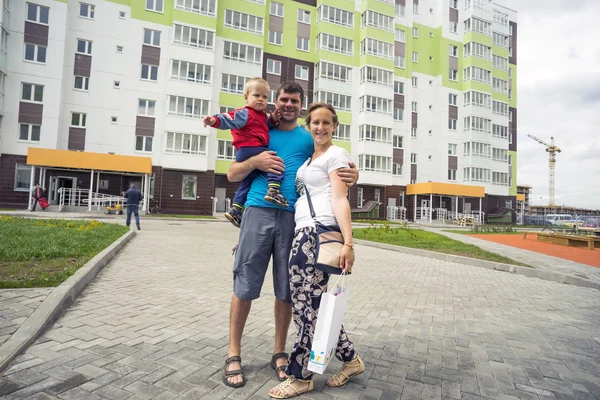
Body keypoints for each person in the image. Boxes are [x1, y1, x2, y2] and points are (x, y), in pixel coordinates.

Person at [222, 82, 359, 388]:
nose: (287, 104)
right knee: (245, 282)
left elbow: (333, 161)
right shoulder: (261, 129)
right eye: (283, 99)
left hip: (293, 219)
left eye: (294, 100)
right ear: (275, 101)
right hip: (257, 210)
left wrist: (355, 173)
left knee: (287, 290)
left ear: (301, 105)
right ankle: (233, 353)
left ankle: (280, 351)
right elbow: (232, 174)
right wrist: (255, 162)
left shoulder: (308, 137)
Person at [268, 103, 364, 398]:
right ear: (308, 126)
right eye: (315, 123)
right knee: (315, 305)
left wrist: (349, 242)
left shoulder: (336, 154)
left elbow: (339, 199)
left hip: (317, 234)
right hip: (302, 232)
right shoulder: (311, 159)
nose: (320, 127)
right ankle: (351, 360)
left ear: (334, 126)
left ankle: (301, 376)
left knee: (305, 306)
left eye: (326, 122)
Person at [203, 77, 286, 228]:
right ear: (246, 97)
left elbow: (265, 125)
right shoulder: (245, 113)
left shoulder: (260, 116)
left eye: (264, 97)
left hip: (247, 151)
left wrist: (273, 118)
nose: (261, 99)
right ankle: (273, 190)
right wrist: (214, 120)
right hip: (250, 148)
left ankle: (236, 209)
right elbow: (230, 118)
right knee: (274, 162)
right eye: (256, 95)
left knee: (248, 181)